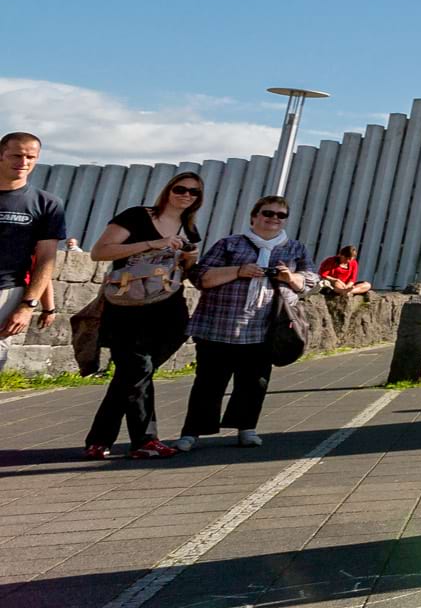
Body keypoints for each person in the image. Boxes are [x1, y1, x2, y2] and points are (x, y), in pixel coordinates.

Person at [82, 172, 202, 460]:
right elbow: (100, 252)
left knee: (134, 374)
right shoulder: (137, 216)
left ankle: (100, 440)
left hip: (169, 309)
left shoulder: (189, 229)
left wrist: (189, 258)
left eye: (194, 192)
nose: (186, 195)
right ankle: (144, 440)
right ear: (168, 190)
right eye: (180, 189)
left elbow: (186, 269)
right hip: (127, 305)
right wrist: (151, 244)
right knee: (137, 369)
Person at [179, 195, 311, 452]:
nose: (273, 218)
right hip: (219, 324)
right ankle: (192, 432)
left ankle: (246, 428)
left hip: (265, 326)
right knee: (208, 383)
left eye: (280, 215)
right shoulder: (229, 244)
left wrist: (290, 277)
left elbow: (310, 280)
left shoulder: (295, 248)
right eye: (267, 213)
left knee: (255, 382)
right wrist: (238, 271)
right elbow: (199, 276)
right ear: (254, 217)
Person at [0, 133, 66, 374]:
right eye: (17, 155)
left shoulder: (47, 203)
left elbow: (46, 260)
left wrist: (28, 306)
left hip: (6, 291)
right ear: (1, 155)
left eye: (31, 157)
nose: (24, 162)